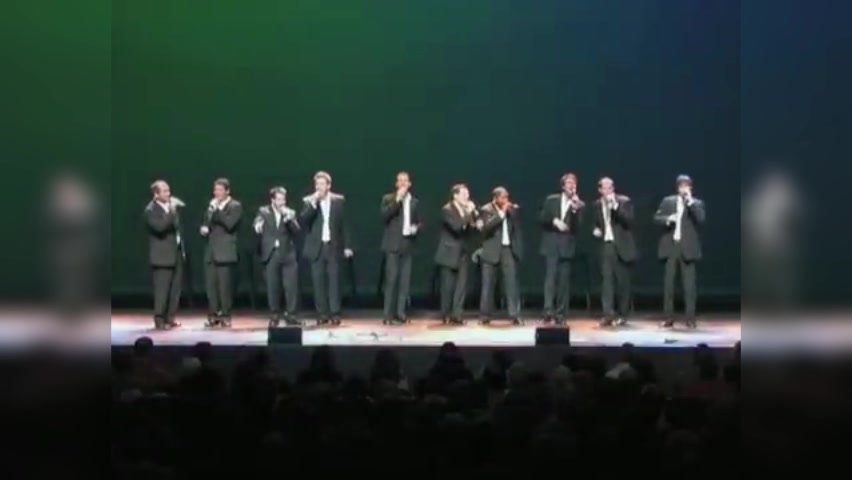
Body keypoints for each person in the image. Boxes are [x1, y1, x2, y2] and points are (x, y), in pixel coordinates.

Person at [300, 171, 352, 325]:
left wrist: (348, 246)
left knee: (334, 282)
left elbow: (345, 225)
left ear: (329, 185)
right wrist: (313, 203)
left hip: (333, 246)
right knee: (318, 282)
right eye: (317, 184)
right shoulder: (309, 201)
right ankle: (322, 314)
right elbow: (304, 220)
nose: (319, 187)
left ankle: (335, 313)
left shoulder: (338, 201)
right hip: (316, 248)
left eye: (322, 184)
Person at [654, 175, 706, 328]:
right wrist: (668, 219)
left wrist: (690, 202)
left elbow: (701, 219)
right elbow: (656, 218)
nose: (684, 188)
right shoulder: (668, 201)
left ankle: (690, 318)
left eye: (687, 186)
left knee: (689, 287)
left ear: (691, 188)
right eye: (681, 186)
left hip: (688, 248)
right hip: (671, 247)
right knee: (668, 285)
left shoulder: (697, 203)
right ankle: (668, 318)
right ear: (677, 188)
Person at [539, 172, 585, 325]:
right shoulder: (551, 200)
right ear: (563, 186)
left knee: (564, 283)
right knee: (550, 280)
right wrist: (554, 221)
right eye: (569, 183)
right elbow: (542, 218)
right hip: (551, 245)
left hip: (567, 247)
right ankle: (548, 312)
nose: (572, 186)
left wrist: (574, 210)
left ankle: (561, 314)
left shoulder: (580, 205)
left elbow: (577, 228)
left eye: (574, 184)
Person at [254, 186, 301, 327]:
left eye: (283, 199)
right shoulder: (264, 211)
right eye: (279, 199)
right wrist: (258, 225)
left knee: (291, 287)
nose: (282, 202)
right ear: (272, 200)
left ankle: (291, 315)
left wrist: (288, 219)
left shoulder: (290, 212)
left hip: (287, 254)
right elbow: (257, 222)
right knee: (273, 286)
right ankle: (274, 315)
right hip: (271, 253)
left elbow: (296, 231)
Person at [592, 177, 636, 327]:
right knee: (607, 281)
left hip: (622, 246)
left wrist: (615, 207)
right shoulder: (597, 204)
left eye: (610, 187)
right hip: (606, 245)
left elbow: (629, 221)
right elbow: (597, 223)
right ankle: (608, 315)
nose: (608, 190)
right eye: (605, 188)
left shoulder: (624, 201)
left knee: (622, 282)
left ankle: (622, 315)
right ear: (600, 190)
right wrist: (596, 229)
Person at [477, 187, 524, 325]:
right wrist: (502, 213)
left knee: (511, 284)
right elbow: (486, 227)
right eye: (503, 198)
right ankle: (485, 315)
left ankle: (515, 314)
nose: (506, 200)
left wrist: (511, 211)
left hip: (507, 250)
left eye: (507, 197)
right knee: (488, 285)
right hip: (491, 251)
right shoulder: (486, 210)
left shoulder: (510, 210)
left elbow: (516, 228)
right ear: (495, 198)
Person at [380, 172, 421, 325]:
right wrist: (397, 200)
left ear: (410, 184)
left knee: (405, 282)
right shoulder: (388, 199)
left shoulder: (414, 202)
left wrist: (416, 228)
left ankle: (400, 313)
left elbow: (418, 221)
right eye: (400, 181)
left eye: (405, 181)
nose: (403, 183)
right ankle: (388, 315)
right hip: (392, 245)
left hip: (407, 244)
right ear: (396, 184)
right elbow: (384, 216)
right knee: (391, 280)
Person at [200, 178, 243, 328]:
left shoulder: (235, 206)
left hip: (225, 252)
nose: (216, 193)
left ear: (227, 191)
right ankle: (213, 315)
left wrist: (217, 209)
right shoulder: (211, 207)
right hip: (211, 251)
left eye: (219, 190)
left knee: (225, 288)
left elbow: (229, 224)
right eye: (215, 190)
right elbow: (207, 222)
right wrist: (204, 228)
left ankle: (225, 315)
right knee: (211, 287)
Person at [434, 184, 478, 325]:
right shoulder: (447, 209)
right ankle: (445, 314)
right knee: (448, 286)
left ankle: (457, 315)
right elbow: (457, 227)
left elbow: (471, 229)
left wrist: (475, 220)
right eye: (464, 194)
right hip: (449, 252)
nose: (467, 197)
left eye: (468, 194)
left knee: (461, 286)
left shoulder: (466, 211)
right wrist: (468, 213)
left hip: (463, 252)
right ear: (455, 195)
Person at [144, 180, 185, 329]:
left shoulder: (170, 209)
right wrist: (172, 211)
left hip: (175, 254)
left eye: (168, 190)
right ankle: (159, 319)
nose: (169, 194)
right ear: (156, 194)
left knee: (175, 289)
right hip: (162, 257)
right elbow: (160, 228)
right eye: (165, 191)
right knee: (162, 290)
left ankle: (170, 318)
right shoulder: (151, 210)